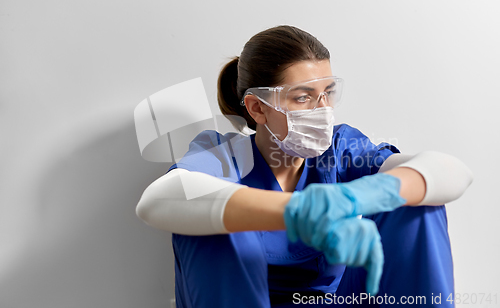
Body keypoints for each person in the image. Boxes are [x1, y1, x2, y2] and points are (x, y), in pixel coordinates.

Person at [135, 25, 473, 307]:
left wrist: (365, 195)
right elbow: (158, 201)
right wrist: (300, 209)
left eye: (327, 92)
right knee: (212, 225)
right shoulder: (222, 155)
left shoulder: (341, 149)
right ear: (257, 108)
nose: (322, 108)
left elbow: (451, 171)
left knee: (417, 202)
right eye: (302, 97)